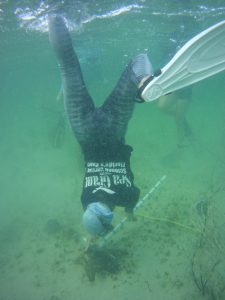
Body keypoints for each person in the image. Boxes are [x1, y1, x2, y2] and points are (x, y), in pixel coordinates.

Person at [48, 15, 153, 237]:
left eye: (108, 223)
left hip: (114, 128)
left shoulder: (127, 197)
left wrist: (130, 212)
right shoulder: (85, 200)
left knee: (138, 61)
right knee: (68, 66)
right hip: (83, 130)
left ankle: (144, 82)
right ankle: (54, 15)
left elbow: (127, 202)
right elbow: (93, 214)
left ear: (108, 219)